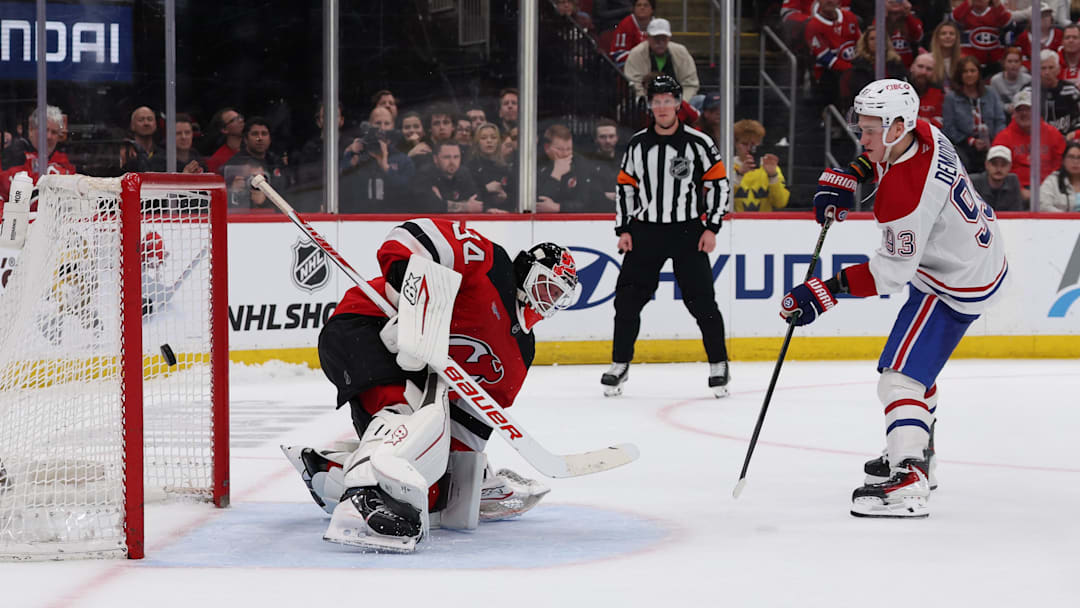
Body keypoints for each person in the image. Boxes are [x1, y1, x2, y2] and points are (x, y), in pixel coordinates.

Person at [281, 218, 579, 552]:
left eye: (559, 295)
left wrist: (465, 480)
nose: (550, 299)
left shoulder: (521, 355)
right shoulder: (493, 267)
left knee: (426, 489)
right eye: (548, 285)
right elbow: (418, 235)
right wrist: (404, 278)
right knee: (404, 411)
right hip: (365, 324)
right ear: (527, 269)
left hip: (410, 369)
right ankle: (363, 495)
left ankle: (328, 471)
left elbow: (469, 425)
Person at [782, 79, 1008, 518]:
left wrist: (822, 292)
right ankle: (921, 452)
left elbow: (890, 274)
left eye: (870, 131)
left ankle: (909, 476)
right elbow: (882, 157)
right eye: (862, 128)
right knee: (914, 370)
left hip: (952, 282)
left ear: (898, 124)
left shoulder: (903, 197)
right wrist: (853, 171)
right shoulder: (924, 132)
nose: (862, 138)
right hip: (972, 260)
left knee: (899, 379)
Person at [602, 75, 730, 398]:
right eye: (655, 101)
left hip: (687, 230)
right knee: (627, 301)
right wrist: (624, 229)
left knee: (702, 302)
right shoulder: (637, 143)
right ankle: (620, 364)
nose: (661, 107)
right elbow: (625, 187)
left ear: (677, 104)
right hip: (646, 231)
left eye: (667, 101)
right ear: (650, 105)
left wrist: (712, 227)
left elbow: (719, 185)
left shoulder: (698, 143)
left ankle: (719, 364)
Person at [991, 87, 1065, 198]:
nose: (1024, 113)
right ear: (1013, 113)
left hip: (1050, 189)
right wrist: (1019, 190)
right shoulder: (1003, 138)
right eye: (1019, 110)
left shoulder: (1053, 133)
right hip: (1014, 191)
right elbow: (997, 169)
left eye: (1028, 109)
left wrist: (1049, 189)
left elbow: (1061, 165)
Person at [341, 107, 416, 213]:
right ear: (369, 126)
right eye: (378, 123)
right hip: (358, 220)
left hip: (392, 219)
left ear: (393, 126)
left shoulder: (403, 160)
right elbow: (341, 189)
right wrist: (349, 155)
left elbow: (408, 194)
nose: (382, 128)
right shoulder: (358, 155)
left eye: (387, 123)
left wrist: (385, 166)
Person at [0, 105, 76, 202]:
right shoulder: (14, 156)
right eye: (45, 130)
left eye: (54, 132)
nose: (49, 136)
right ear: (31, 130)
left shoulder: (63, 160)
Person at [943, 55, 1006, 170]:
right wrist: (971, 141)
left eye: (972, 71)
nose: (969, 74)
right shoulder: (951, 98)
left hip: (992, 143)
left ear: (978, 73)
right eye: (965, 71)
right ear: (960, 75)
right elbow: (949, 128)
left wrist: (996, 141)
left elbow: (1000, 120)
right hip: (963, 146)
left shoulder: (991, 93)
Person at [624, 18, 701, 100]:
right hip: (647, 101)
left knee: (700, 100)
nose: (660, 42)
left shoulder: (681, 52)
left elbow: (690, 84)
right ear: (648, 38)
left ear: (669, 38)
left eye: (663, 38)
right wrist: (650, 104)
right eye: (656, 38)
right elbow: (634, 84)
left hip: (678, 100)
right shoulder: (636, 53)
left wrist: (682, 103)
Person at [805, 0, 862, 109]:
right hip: (828, 73)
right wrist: (853, 70)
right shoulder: (813, 25)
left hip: (853, 67)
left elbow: (861, 45)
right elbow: (826, 59)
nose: (829, 1)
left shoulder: (850, 17)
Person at [843, 25, 908, 110]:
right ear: (866, 43)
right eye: (872, 39)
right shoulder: (859, 65)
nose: (876, 41)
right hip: (868, 107)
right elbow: (859, 90)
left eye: (879, 38)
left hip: (894, 105)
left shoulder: (895, 62)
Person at [731, 119, 789, 212]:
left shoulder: (770, 166)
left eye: (754, 144)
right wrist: (739, 174)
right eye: (744, 144)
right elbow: (721, 200)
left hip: (764, 223)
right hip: (734, 222)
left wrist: (772, 176)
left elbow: (781, 203)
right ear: (735, 143)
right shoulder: (728, 166)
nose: (749, 148)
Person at [224, 116, 289, 192]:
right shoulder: (235, 165)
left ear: (270, 138)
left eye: (264, 134)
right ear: (245, 139)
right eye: (255, 134)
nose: (260, 138)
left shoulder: (276, 161)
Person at [536, 124, 591, 212]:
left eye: (569, 149)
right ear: (547, 148)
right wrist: (556, 175)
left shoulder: (580, 163)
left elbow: (587, 202)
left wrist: (559, 207)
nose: (565, 154)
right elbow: (538, 203)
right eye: (560, 149)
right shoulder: (536, 163)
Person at [417, 141, 481, 213]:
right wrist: (465, 206)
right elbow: (431, 206)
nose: (452, 162)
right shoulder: (425, 174)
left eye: (456, 157)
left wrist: (444, 203)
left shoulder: (464, 173)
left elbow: (477, 202)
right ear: (435, 159)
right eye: (447, 157)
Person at [952, 0, 1011, 73]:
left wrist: (998, 5)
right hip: (969, 62)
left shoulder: (997, 11)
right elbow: (953, 19)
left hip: (994, 63)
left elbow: (1009, 24)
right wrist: (967, 3)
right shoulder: (964, 11)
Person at [1032, 49, 1080, 136]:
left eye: (1051, 67)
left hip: (1067, 140)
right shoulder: (1029, 92)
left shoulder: (1071, 91)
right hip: (1037, 142)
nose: (1047, 72)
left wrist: (1074, 133)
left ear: (1058, 69)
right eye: (1043, 68)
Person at [467, 123, 513, 212]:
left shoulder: (505, 168)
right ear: (477, 142)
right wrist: (486, 189)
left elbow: (515, 199)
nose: (489, 141)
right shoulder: (470, 167)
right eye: (484, 138)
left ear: (498, 142)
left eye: (493, 137)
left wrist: (505, 197)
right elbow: (468, 195)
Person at [970, 144, 1025, 210]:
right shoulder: (973, 182)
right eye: (994, 164)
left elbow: (1016, 213)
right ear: (987, 165)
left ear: (1010, 166)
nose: (999, 169)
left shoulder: (1013, 181)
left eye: (1003, 165)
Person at [1016, 2, 1062, 68]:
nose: (1045, 18)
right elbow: (1020, 58)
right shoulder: (1023, 37)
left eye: (1047, 15)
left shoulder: (1059, 34)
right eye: (1041, 16)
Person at [989, 46, 1032, 116]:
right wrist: (1007, 108)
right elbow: (994, 103)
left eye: (1016, 61)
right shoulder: (995, 80)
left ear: (1021, 63)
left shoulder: (1028, 79)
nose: (1013, 64)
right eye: (1010, 61)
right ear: (1004, 63)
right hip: (1003, 115)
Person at [1038, 140, 1080, 210]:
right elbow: (1043, 206)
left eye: (1079, 157)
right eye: (1071, 157)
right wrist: (1067, 219)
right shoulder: (1052, 181)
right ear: (1063, 160)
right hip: (1061, 220)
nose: (1075, 161)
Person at [610, 0, 653, 69]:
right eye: (639, 5)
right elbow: (618, 54)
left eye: (646, 5)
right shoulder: (625, 24)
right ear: (634, 9)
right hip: (629, 63)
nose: (642, 8)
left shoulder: (657, 25)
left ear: (652, 9)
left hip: (651, 63)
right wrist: (640, 59)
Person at [883, 0, 925, 69]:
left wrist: (907, 14)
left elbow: (917, 36)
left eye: (898, 1)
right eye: (891, 1)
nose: (895, 2)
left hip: (907, 68)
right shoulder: (879, 19)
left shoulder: (912, 19)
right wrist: (883, 13)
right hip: (885, 67)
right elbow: (875, 36)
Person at [124, 106, 166, 172]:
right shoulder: (125, 153)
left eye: (150, 119)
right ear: (132, 125)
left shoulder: (165, 155)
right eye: (141, 120)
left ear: (155, 125)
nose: (146, 123)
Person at [910, 52, 946, 127]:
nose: (924, 72)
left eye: (929, 69)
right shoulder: (900, 91)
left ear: (934, 72)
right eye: (920, 66)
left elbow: (940, 122)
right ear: (912, 68)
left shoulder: (939, 94)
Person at [930, 21, 963, 91]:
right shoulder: (928, 60)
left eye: (951, 34)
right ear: (937, 37)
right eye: (943, 34)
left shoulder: (963, 61)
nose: (948, 36)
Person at [1058, 24, 1080, 88]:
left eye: (1075, 37)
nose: (1071, 41)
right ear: (1062, 42)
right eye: (1067, 38)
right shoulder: (1053, 62)